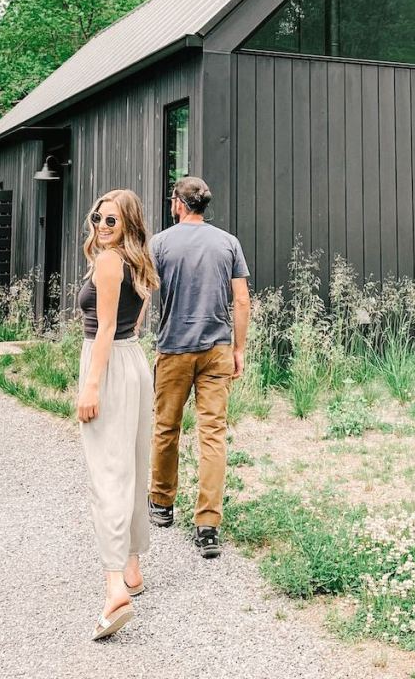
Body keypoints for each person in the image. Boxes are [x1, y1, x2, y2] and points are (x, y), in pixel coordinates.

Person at [149, 176, 250, 559]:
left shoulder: (160, 243)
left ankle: (161, 504)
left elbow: (145, 292)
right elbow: (241, 301)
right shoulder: (228, 243)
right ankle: (207, 526)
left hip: (174, 348)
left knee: (166, 427)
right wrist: (238, 348)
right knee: (213, 435)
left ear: (178, 203)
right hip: (217, 349)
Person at [76, 189, 158, 641]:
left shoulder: (109, 262)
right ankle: (132, 569)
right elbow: (134, 320)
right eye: (99, 218)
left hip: (107, 363)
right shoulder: (139, 262)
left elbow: (105, 326)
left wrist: (90, 384)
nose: (103, 227)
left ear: (128, 224)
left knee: (107, 474)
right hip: (133, 362)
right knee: (131, 465)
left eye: (112, 221)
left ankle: (114, 589)